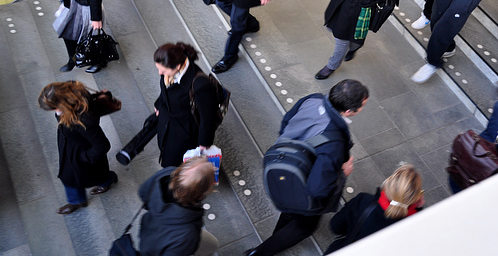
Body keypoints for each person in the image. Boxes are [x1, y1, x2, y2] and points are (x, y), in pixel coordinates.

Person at [247, 79, 369, 256]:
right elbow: (317, 189)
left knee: (289, 210)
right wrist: (343, 173)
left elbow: (285, 124)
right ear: (349, 111)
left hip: (283, 167)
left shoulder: (312, 99)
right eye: (362, 106)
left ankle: (274, 238)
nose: (363, 109)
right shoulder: (334, 140)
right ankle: (259, 253)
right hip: (304, 181)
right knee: (305, 225)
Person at [37, 81, 118, 215]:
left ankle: (78, 199)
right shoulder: (74, 101)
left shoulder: (83, 120)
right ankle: (104, 182)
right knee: (85, 174)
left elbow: (102, 145)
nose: (56, 112)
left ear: (63, 104)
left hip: (82, 153)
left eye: (55, 109)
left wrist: (83, 158)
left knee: (71, 177)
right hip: (73, 146)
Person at [325, 164, 424, 254]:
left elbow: (335, 226)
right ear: (415, 198)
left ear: (389, 183)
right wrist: (419, 210)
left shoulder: (364, 201)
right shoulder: (414, 227)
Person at [154, 42, 221, 167]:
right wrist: (159, 103)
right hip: (168, 123)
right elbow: (166, 91)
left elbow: (207, 118)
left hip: (184, 132)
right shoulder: (170, 72)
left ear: (178, 66)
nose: (160, 73)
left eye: (163, 70)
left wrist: (204, 142)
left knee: (172, 163)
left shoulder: (200, 84)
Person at [138, 156, 219, 256]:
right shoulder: (188, 233)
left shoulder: (166, 173)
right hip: (162, 247)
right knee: (213, 244)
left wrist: (157, 210)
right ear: (202, 192)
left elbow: (143, 193)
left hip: (148, 229)